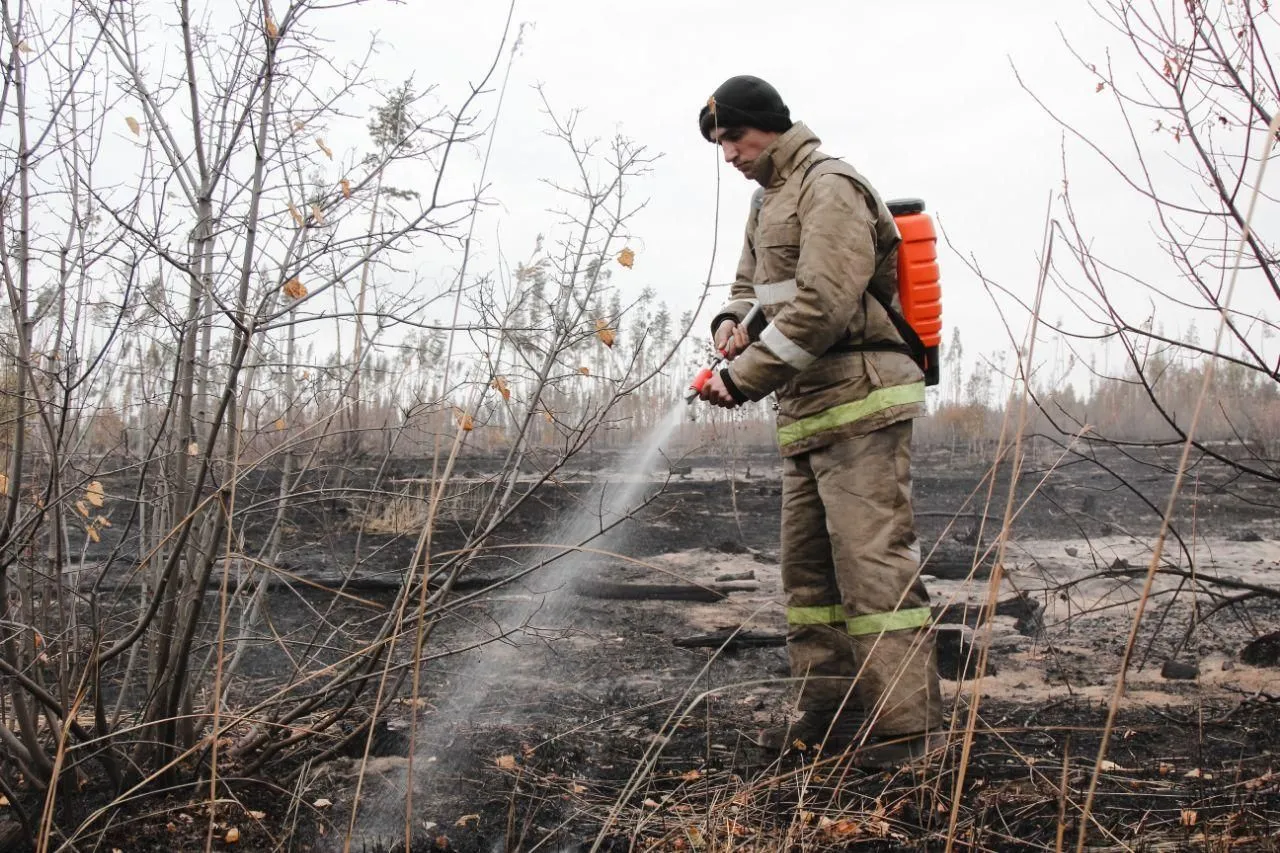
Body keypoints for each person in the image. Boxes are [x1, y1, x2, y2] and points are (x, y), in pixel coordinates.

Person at [695, 75, 944, 765]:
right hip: (806, 410)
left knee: (873, 570)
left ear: (768, 126)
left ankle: (906, 733)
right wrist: (729, 326)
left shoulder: (828, 185)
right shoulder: (767, 200)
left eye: (734, 139)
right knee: (809, 581)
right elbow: (753, 290)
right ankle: (831, 713)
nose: (730, 155)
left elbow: (824, 304)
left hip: (860, 402)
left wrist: (743, 378)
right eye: (721, 145)